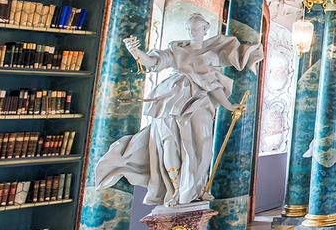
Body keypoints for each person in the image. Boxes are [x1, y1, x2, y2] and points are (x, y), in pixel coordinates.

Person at [94, 14, 262, 208]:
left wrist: (229, 105)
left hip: (198, 103)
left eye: (198, 28)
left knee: (202, 145)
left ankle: (194, 189)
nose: (194, 32)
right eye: (191, 28)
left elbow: (213, 84)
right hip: (170, 101)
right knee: (169, 145)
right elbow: (152, 62)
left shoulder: (211, 55)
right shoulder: (177, 50)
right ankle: (174, 191)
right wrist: (135, 51)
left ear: (206, 29)